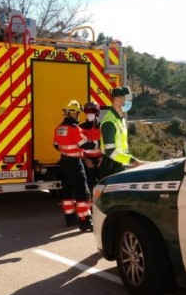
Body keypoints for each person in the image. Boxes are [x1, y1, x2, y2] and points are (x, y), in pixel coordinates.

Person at [53, 99, 98, 231]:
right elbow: (84, 144)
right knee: (82, 193)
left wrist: (66, 150)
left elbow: (56, 145)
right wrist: (95, 144)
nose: (78, 116)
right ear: (72, 113)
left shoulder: (59, 128)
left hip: (64, 163)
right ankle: (85, 222)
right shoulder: (74, 129)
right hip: (75, 164)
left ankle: (70, 219)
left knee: (67, 192)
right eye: (77, 113)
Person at [99, 86, 143, 179]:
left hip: (119, 164)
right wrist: (131, 160)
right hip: (111, 167)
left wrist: (128, 161)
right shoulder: (109, 122)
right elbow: (110, 151)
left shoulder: (120, 119)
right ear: (117, 100)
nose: (129, 102)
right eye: (126, 99)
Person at [80, 102, 103, 192]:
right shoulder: (80, 128)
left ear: (97, 113)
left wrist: (103, 157)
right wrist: (85, 159)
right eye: (88, 112)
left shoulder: (103, 127)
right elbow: (78, 146)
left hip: (100, 161)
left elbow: (107, 144)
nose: (90, 114)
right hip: (87, 161)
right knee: (89, 185)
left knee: (102, 185)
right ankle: (90, 204)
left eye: (92, 112)